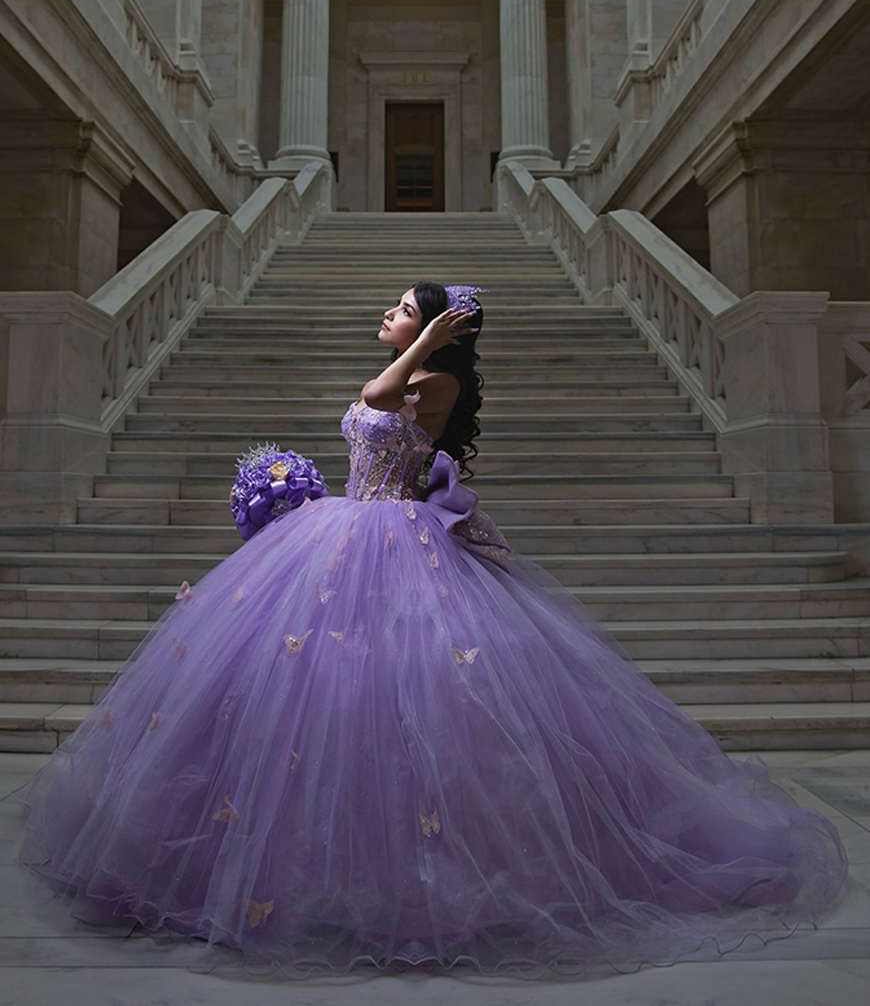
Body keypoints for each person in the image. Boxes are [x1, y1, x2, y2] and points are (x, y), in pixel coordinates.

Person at [12, 281, 849, 980]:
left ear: (437, 329)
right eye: (393, 308)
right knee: (304, 702)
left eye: (403, 307)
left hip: (398, 545)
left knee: (413, 703)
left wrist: (425, 348)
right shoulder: (409, 367)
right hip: (340, 532)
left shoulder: (431, 383)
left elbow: (380, 402)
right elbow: (368, 418)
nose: (386, 314)